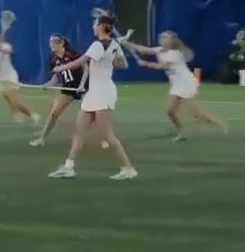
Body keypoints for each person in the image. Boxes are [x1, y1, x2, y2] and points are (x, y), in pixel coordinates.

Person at [48, 15, 137, 180]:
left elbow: (79, 62)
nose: (93, 26)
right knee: (79, 130)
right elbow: (123, 64)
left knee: (107, 134)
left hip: (101, 91)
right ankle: (69, 167)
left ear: (102, 26)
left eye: (95, 24)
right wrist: (108, 61)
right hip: (95, 91)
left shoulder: (98, 44)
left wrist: (60, 68)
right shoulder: (114, 44)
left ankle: (128, 169)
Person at [125, 31, 229, 140]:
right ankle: (181, 132)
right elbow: (143, 49)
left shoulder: (174, 54)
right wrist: (125, 43)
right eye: (162, 38)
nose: (163, 40)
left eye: (165, 38)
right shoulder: (160, 49)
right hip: (177, 84)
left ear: (171, 42)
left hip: (186, 82)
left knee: (196, 113)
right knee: (170, 112)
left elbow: (164, 66)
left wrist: (145, 64)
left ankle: (221, 124)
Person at [30, 33, 88, 147]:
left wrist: (82, 85)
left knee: (91, 114)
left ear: (61, 43)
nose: (51, 44)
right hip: (68, 88)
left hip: (83, 87)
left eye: (54, 42)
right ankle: (42, 139)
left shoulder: (72, 53)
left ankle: (104, 138)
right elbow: (56, 78)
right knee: (54, 113)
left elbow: (85, 68)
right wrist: (48, 84)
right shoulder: (52, 58)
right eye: (50, 42)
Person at [0, 30, 41, 126]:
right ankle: (33, 115)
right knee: (12, 101)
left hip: (9, 76)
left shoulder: (5, 46)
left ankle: (23, 114)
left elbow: (9, 51)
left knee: (13, 98)